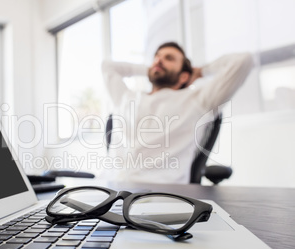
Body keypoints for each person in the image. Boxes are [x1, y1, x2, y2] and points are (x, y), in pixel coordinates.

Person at [101, 42, 253, 184]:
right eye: (156, 57)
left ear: (184, 76)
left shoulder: (198, 100)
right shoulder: (126, 97)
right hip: (108, 189)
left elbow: (243, 61)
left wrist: (200, 71)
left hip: (162, 194)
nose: (159, 60)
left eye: (169, 58)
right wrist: (149, 69)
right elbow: (107, 66)